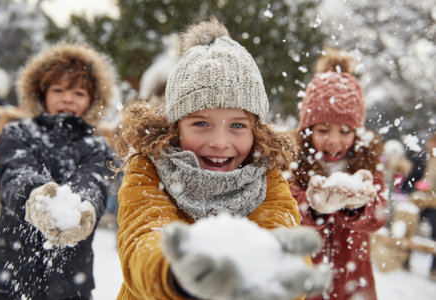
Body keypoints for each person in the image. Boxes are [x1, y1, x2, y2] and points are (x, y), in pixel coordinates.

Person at [115, 17, 331, 300]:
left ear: (256, 130)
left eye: (237, 125)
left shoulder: (266, 177)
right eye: (201, 124)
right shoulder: (149, 168)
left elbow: (278, 226)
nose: (219, 142)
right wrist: (180, 275)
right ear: (175, 126)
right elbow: (141, 238)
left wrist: (274, 266)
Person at [0, 43, 118, 299]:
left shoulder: (98, 147)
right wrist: (35, 196)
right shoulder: (17, 134)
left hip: (69, 282)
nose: (67, 98)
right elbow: (15, 173)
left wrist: (84, 208)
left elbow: (93, 182)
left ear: (93, 100)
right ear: (40, 93)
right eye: (58, 89)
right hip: (11, 275)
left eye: (79, 93)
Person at [291, 47, 389, 300]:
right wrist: (313, 206)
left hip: (352, 282)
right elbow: (285, 210)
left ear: (357, 133)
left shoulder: (366, 164)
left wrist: (355, 207)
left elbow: (378, 216)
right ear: (307, 130)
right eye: (323, 130)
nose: (334, 141)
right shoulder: (294, 163)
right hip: (304, 278)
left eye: (345, 131)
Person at [408, 131, 436, 278]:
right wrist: (416, 187)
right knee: (407, 222)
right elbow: (410, 179)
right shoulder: (421, 158)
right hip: (417, 200)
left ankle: (434, 268)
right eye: (432, 141)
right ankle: (404, 258)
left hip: (434, 203)